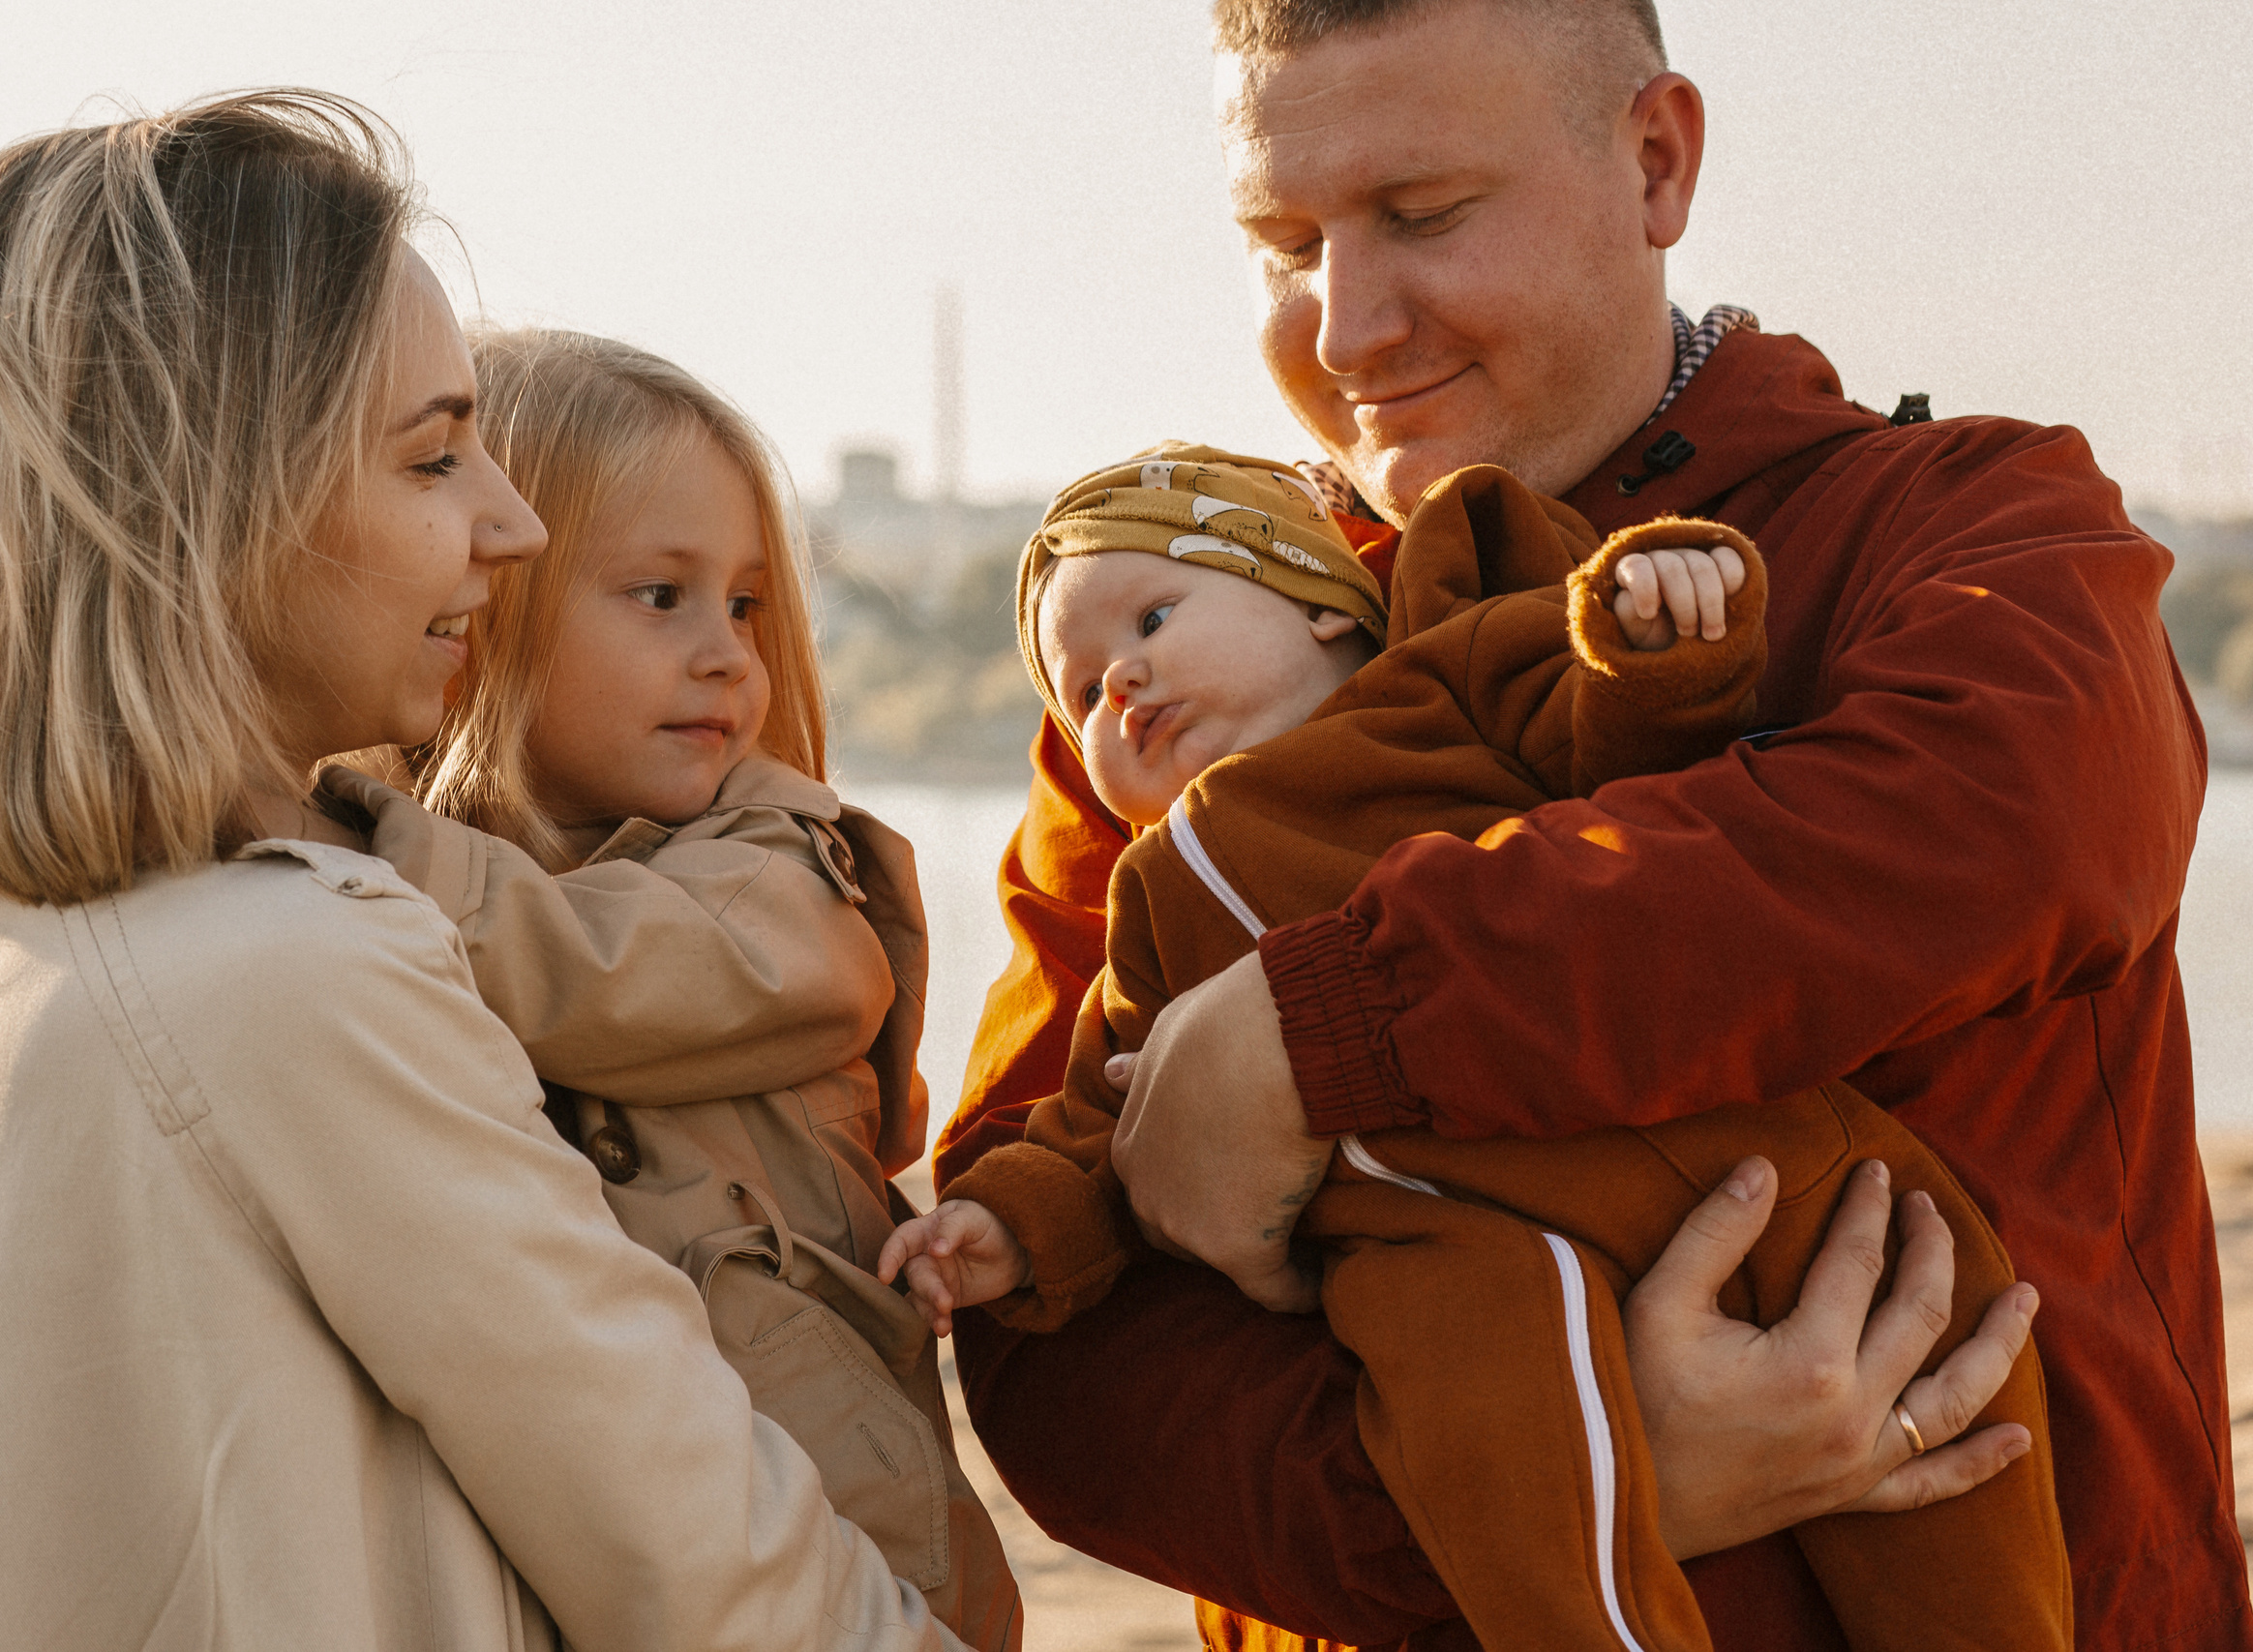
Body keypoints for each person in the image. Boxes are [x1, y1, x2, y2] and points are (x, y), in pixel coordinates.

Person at [934, 3, 2237, 1649]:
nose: (1340, 330)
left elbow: (1994, 830)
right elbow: (1046, 1343)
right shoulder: (1198, 666)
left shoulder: (1971, 523)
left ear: (1657, 160)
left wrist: (1319, 1031)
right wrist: (1566, 1486)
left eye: (1421, 215)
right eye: (1281, 243)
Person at [0, 92, 975, 1652]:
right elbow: (700, 1545)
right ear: (205, 497)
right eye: (433, 458)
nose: (512, 519)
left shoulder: (6, 942)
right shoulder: (299, 966)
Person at [893, 447, 2067, 1649]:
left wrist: (1657, 640)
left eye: (1153, 618)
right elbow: (1100, 1111)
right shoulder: (1145, 899)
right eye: (1079, 691)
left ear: (1312, 595)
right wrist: (1010, 1225)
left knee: (1958, 1450)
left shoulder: (1435, 688)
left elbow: (1618, 752)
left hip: (1753, 1163)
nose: (1120, 681)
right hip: (1440, 1248)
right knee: (1496, 1430)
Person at [317, 329, 1020, 1651]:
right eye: (662, 595)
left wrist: (349, 841)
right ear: (489, 603)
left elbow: (605, 970)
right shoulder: (456, 877)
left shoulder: (783, 869)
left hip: (844, 1540)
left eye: (746, 605)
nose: (726, 654)